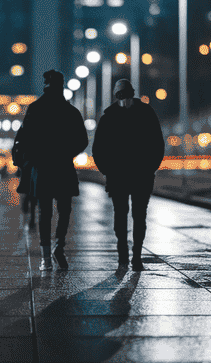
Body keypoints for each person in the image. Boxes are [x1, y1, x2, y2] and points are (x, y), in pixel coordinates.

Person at [15, 70, 88, 271]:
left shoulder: (35, 109)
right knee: (64, 209)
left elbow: (25, 138)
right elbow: (82, 140)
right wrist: (67, 153)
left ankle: (45, 258)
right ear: (61, 85)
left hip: (41, 168)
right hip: (63, 166)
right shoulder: (70, 111)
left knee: (44, 211)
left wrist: (35, 157)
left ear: (44, 84)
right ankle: (59, 246)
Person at [91, 79, 165, 270]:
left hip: (131, 175)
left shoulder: (111, 116)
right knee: (126, 215)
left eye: (126, 96)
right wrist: (108, 170)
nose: (124, 100)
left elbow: (98, 148)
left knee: (133, 215)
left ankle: (134, 254)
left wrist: (108, 170)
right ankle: (126, 252)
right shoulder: (144, 113)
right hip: (129, 175)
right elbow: (98, 149)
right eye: (121, 97)